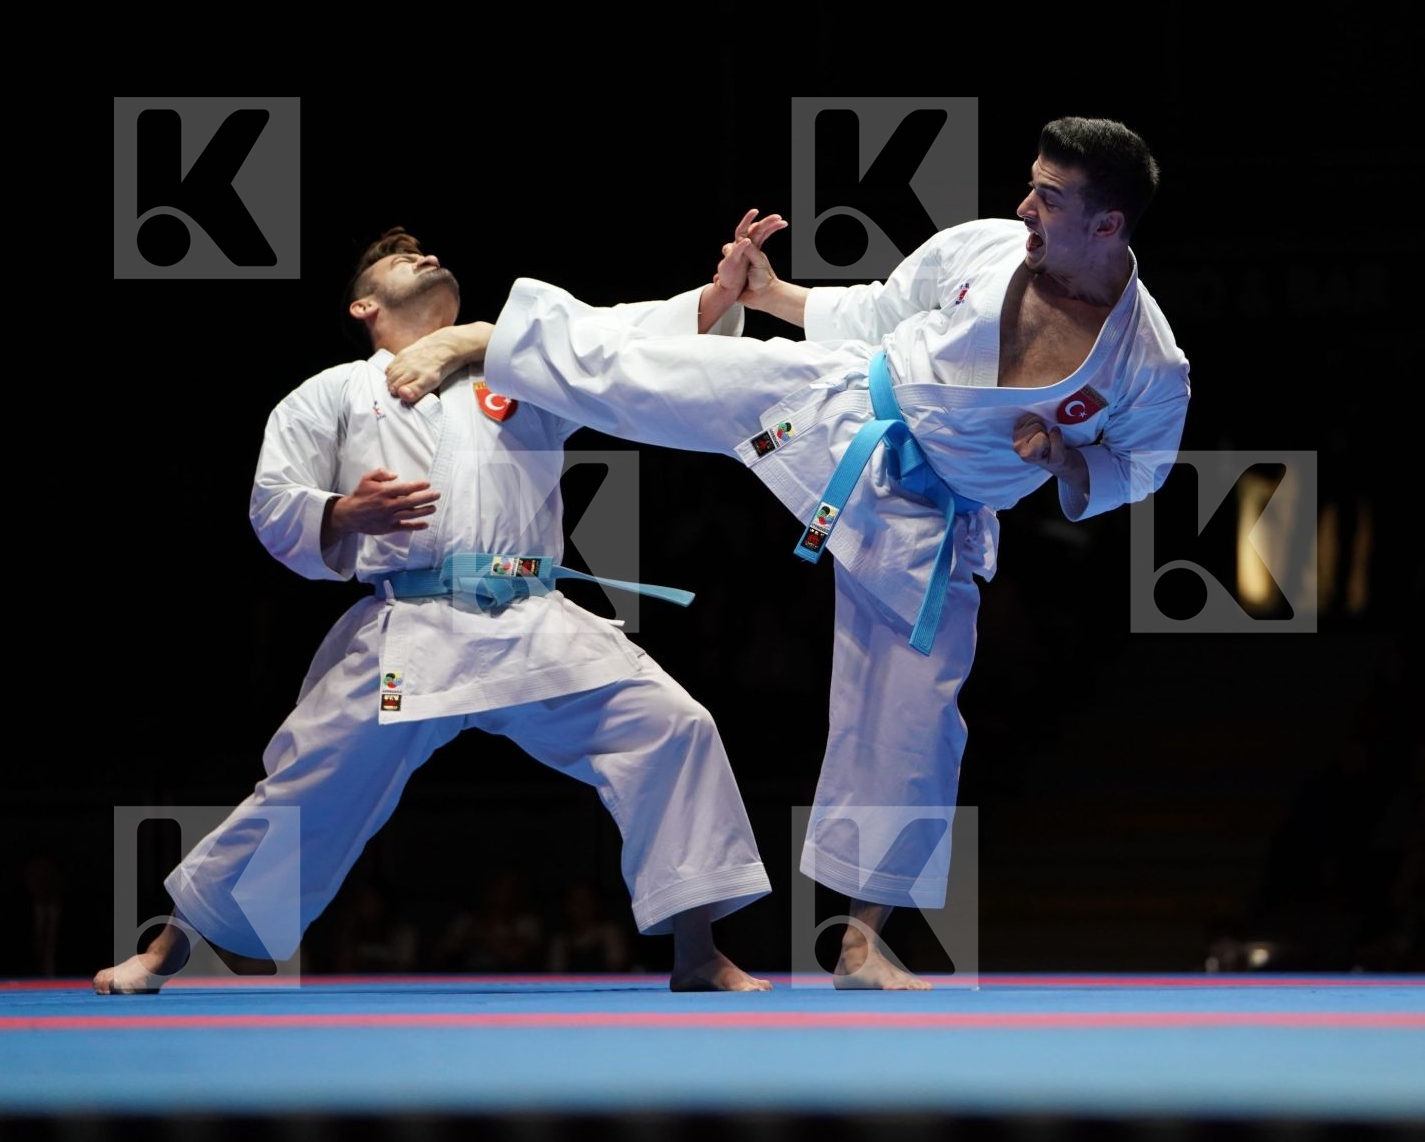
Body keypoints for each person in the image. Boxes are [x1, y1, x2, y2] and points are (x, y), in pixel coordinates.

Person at [387, 117, 1190, 989]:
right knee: (673, 375)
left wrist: (1068, 459)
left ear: (1108, 225)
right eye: (1033, 183)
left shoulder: (1150, 364)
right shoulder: (989, 248)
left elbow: (1139, 471)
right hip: (843, 406)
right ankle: (489, 340)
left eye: (1051, 197)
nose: (1026, 205)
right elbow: (880, 308)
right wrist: (771, 296)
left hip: (930, 519)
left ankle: (861, 943)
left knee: (916, 722)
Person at [93, 228, 774, 995]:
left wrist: (716, 299)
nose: (423, 253)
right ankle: (170, 946)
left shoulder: (519, 374)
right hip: (412, 628)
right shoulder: (336, 392)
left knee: (674, 727)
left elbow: (614, 349)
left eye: (428, 252)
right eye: (396, 258)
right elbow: (273, 502)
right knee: (309, 781)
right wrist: (344, 512)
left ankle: (696, 950)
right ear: (364, 305)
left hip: (531, 620)